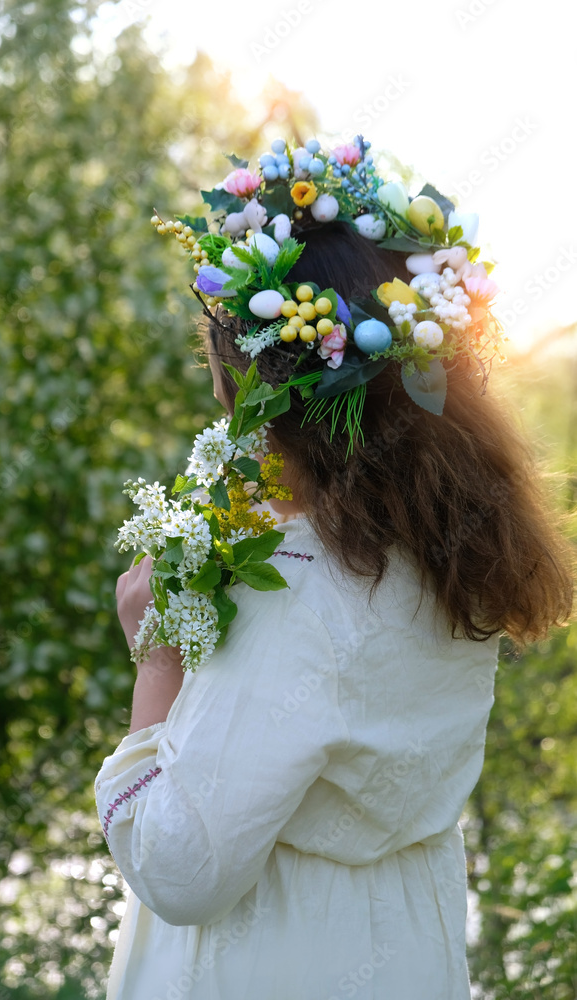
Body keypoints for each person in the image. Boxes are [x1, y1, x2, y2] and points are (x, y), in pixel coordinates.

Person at [94, 139, 574, 999]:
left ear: (259, 390)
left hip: (278, 959)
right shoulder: (450, 548)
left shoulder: (298, 588)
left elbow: (182, 869)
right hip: (404, 946)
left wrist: (157, 655)